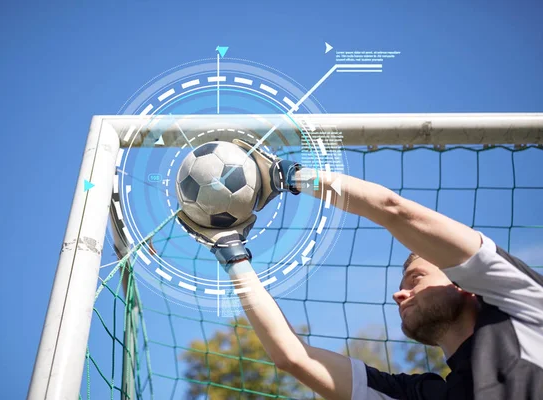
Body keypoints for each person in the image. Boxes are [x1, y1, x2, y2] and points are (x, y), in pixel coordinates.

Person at [177, 140, 543, 400]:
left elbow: (393, 209)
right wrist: (232, 254)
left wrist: (287, 175)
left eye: (416, 278)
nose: (399, 293)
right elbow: (292, 356)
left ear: (466, 284)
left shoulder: (525, 304)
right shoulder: (424, 394)